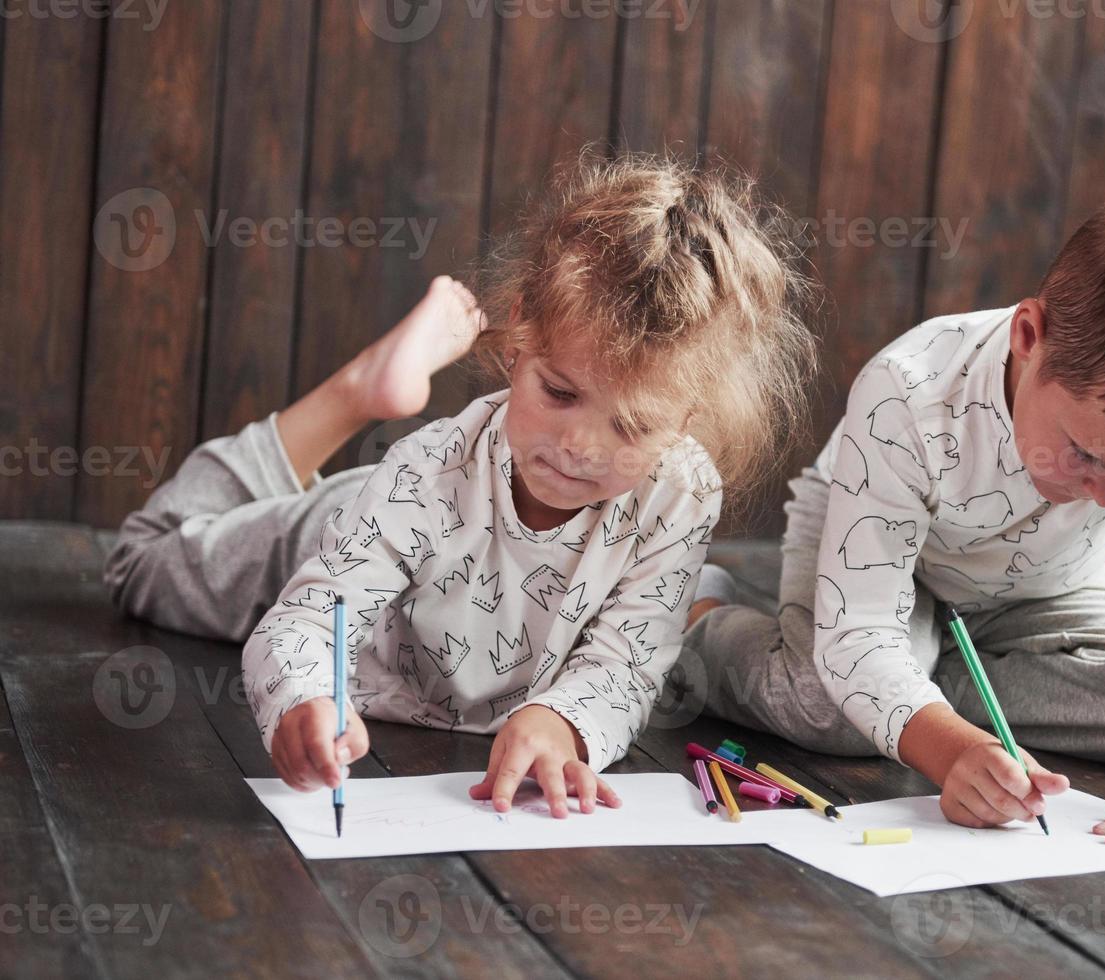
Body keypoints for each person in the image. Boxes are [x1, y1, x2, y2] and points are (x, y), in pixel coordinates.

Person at [103, 153, 817, 817]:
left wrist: (560, 720)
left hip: (484, 604)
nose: (579, 446)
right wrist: (305, 696)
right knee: (142, 561)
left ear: (690, 416)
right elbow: (306, 621)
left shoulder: (681, 491)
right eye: (559, 392)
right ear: (518, 335)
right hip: (339, 528)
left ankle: (697, 585)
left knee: (667, 599)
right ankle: (355, 391)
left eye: (631, 427)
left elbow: (625, 667)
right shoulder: (425, 473)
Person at [682, 172, 1105, 853]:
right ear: (1028, 335)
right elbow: (860, 626)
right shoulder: (909, 390)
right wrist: (948, 751)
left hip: (1047, 585)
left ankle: (912, 676)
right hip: (884, 567)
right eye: (1085, 456)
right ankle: (703, 618)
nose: (1104, 497)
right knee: (830, 707)